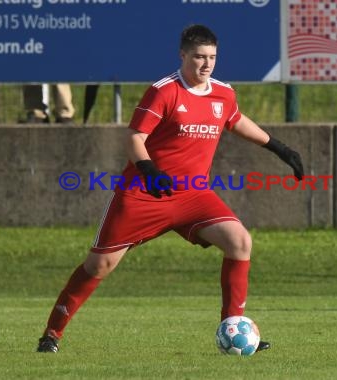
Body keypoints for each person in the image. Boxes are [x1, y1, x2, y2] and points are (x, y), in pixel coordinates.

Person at [36, 24, 305, 353]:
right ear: (182, 55)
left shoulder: (223, 92)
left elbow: (235, 120)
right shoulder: (164, 90)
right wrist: (148, 169)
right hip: (145, 193)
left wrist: (280, 148)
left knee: (240, 241)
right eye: (198, 57)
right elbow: (135, 137)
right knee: (99, 266)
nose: (206, 64)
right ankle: (52, 333)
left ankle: (233, 327)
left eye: (212, 57)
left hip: (194, 195)